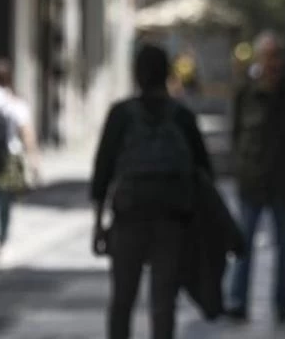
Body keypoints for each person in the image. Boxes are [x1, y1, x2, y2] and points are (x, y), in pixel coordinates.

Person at [89, 43, 212, 339]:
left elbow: (103, 170)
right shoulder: (182, 116)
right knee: (163, 302)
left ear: (136, 74)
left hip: (129, 216)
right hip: (172, 219)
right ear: (167, 73)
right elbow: (204, 171)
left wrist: (98, 223)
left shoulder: (121, 114)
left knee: (122, 300)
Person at [226, 31, 285, 324]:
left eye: (276, 56)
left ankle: (284, 303)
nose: (271, 63)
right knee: (244, 246)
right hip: (251, 181)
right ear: (258, 59)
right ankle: (238, 300)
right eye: (266, 56)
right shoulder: (245, 93)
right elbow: (236, 134)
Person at [0, 58, 39, 258]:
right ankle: (1, 237)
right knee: (5, 199)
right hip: (10, 155)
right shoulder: (15, 101)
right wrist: (34, 163)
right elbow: (27, 133)